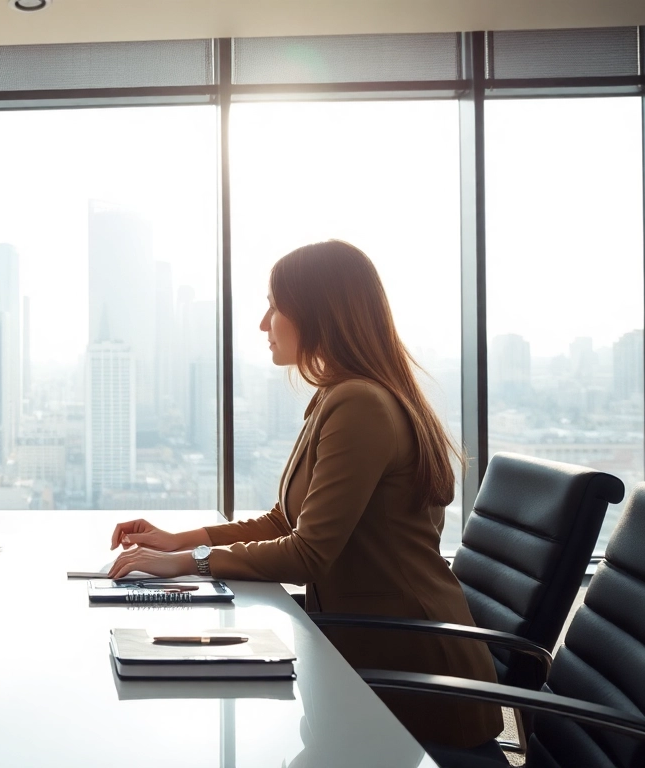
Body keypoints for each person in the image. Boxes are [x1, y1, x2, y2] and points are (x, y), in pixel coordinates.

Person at [107, 240, 503, 750]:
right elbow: (283, 521)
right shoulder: (336, 395)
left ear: (319, 312)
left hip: (412, 675)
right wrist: (174, 542)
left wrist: (191, 561)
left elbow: (308, 552)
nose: (262, 322)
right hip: (364, 655)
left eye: (275, 304)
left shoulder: (360, 402)